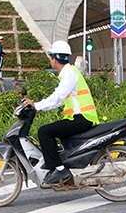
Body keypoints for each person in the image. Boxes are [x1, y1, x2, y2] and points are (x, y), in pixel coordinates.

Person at [22, 40, 99, 186]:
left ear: (54, 58)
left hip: (82, 118)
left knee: (44, 132)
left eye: (50, 57)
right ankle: (63, 166)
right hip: (79, 118)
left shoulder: (69, 74)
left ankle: (60, 170)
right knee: (55, 137)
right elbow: (59, 101)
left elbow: (57, 96)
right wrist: (39, 108)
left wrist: (37, 104)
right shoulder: (68, 73)